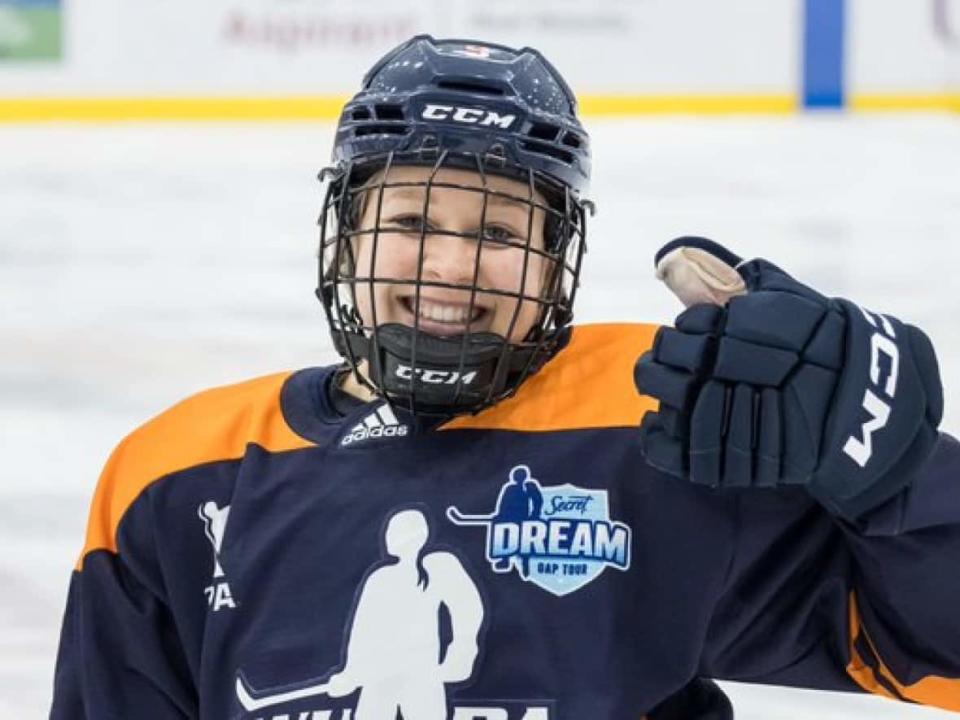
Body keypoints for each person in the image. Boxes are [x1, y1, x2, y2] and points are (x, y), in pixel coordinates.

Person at [50, 34, 960, 720]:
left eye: (497, 234)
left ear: (556, 260)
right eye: (409, 221)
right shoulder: (177, 474)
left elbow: (938, 652)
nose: (448, 268)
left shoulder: (663, 428)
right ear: (345, 238)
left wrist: (894, 472)